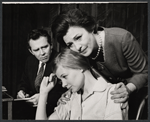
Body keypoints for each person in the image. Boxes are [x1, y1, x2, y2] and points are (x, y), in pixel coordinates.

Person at [51, 8, 148, 119]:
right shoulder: (79, 53)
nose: (77, 47)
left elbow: (145, 71)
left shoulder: (122, 39)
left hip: (139, 94)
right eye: (70, 44)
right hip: (110, 98)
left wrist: (128, 89)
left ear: (90, 28)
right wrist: (69, 93)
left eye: (78, 37)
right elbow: (79, 76)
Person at [36, 48, 128, 120]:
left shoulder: (113, 93)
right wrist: (43, 93)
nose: (63, 84)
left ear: (79, 66)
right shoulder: (70, 97)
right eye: (61, 80)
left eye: (64, 76)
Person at [16, 28, 66, 119]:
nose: (42, 53)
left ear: (51, 45)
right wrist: (22, 91)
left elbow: (66, 91)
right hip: (31, 112)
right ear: (31, 51)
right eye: (36, 50)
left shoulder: (61, 61)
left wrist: (44, 97)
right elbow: (24, 82)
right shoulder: (30, 61)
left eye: (44, 47)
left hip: (54, 112)